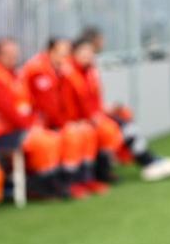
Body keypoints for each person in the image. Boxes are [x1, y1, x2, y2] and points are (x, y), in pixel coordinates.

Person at [63, 30, 170, 182]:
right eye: (84, 52)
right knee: (112, 129)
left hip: (95, 115)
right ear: (75, 53)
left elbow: (92, 100)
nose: (88, 55)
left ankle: (149, 160)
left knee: (125, 118)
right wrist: (89, 117)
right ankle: (137, 164)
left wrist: (106, 109)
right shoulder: (70, 74)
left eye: (90, 52)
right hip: (82, 120)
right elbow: (71, 105)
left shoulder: (89, 70)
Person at [0, 38, 65, 199]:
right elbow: (9, 111)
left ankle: (50, 182)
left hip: (16, 128)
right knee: (43, 141)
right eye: (8, 54)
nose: (13, 58)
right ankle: (38, 186)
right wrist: (31, 125)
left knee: (52, 138)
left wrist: (35, 121)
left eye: (15, 54)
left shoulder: (12, 74)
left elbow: (26, 104)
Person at [20, 37, 106, 198]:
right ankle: (68, 182)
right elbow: (47, 106)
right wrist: (67, 123)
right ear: (51, 52)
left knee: (87, 131)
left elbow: (71, 100)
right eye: (62, 53)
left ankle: (85, 178)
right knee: (73, 135)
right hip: (41, 124)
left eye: (67, 54)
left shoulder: (61, 69)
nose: (66, 58)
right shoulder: (38, 71)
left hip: (57, 121)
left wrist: (78, 120)